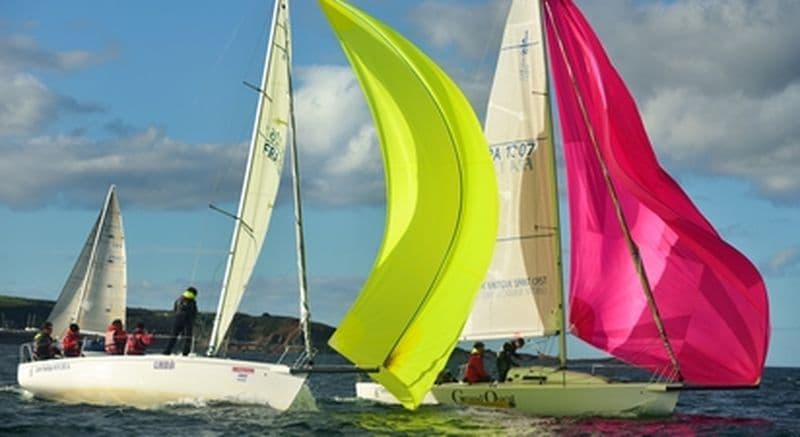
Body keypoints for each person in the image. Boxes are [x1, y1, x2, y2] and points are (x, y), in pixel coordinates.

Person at [163, 286, 198, 356]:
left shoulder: (179, 299)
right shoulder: (192, 301)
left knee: (173, 336)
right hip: (187, 319)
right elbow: (194, 312)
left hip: (177, 318)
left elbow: (175, 309)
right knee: (187, 337)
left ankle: (167, 352)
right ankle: (185, 353)